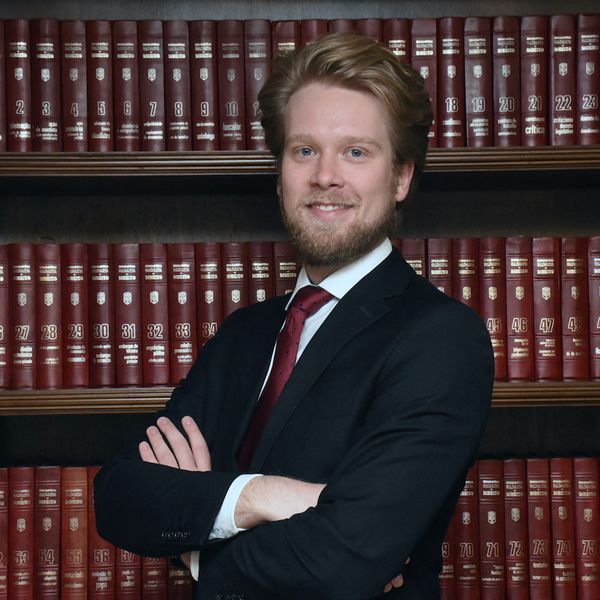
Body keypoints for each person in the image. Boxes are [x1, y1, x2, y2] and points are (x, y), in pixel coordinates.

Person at [94, 32, 494, 599]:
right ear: (280, 172)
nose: (325, 176)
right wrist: (261, 496)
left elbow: (344, 561)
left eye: (356, 152)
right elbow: (118, 498)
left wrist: (198, 543)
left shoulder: (441, 337)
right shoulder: (244, 334)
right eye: (304, 150)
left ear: (401, 177)